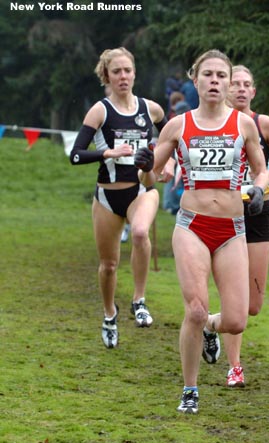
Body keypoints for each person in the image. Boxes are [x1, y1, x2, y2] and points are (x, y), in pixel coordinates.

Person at [144, 49, 269, 415]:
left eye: (221, 76)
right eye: (208, 75)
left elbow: (261, 170)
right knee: (195, 309)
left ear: (229, 83)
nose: (215, 81)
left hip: (232, 229)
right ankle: (190, 389)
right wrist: (146, 165)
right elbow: (152, 173)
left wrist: (259, 189)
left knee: (236, 320)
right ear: (195, 80)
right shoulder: (178, 126)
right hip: (192, 227)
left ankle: (212, 330)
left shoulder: (244, 125)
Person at [203, 64, 269, 387]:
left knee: (253, 306)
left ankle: (210, 325)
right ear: (227, 89)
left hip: (258, 211)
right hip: (225, 215)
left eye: (247, 85)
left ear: (253, 92)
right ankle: (235, 367)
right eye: (236, 84)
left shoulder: (263, 123)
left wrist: (262, 179)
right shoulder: (214, 125)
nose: (241, 89)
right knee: (234, 297)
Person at [69, 47, 167, 348]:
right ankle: (110, 314)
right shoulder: (100, 111)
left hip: (140, 191)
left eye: (127, 70)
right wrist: (107, 152)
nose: (123, 76)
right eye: (116, 72)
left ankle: (139, 300)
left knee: (139, 232)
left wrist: (168, 164)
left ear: (134, 73)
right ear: (107, 76)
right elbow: (75, 155)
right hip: (107, 197)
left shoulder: (151, 110)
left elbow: (173, 139)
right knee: (109, 265)